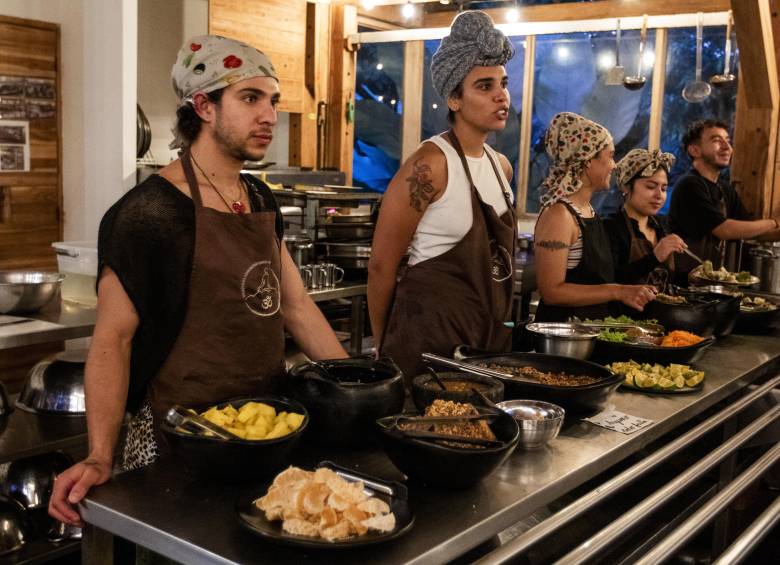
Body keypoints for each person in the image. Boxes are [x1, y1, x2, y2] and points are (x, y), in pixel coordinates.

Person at [49, 35, 347, 526]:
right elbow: (112, 341)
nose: (270, 116)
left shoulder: (258, 197)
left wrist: (354, 383)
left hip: (265, 431)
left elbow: (295, 305)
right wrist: (100, 455)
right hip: (176, 439)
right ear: (204, 107)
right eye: (250, 99)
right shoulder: (148, 214)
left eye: (272, 100)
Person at [368, 11, 516, 381]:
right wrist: (384, 343)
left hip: (485, 345)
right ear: (454, 99)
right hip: (426, 348)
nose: (501, 95)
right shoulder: (431, 165)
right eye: (484, 86)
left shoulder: (502, 167)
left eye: (503, 82)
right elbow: (381, 266)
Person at [533, 112, 657, 322]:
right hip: (563, 338)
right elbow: (552, 292)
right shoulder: (560, 215)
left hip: (589, 330)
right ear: (589, 160)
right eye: (610, 155)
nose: (614, 165)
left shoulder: (588, 211)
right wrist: (617, 291)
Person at [669, 119, 780, 278]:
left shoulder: (725, 188)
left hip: (714, 283)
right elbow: (723, 230)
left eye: (727, 140)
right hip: (687, 283)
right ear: (695, 150)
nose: (727, 147)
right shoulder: (690, 185)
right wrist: (774, 222)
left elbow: (752, 231)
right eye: (716, 140)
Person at [604, 149, 687, 288]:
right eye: (651, 186)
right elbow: (611, 280)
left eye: (664, 189)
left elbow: (670, 280)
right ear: (626, 186)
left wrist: (696, 278)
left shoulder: (661, 225)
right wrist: (655, 257)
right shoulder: (611, 226)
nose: (659, 195)